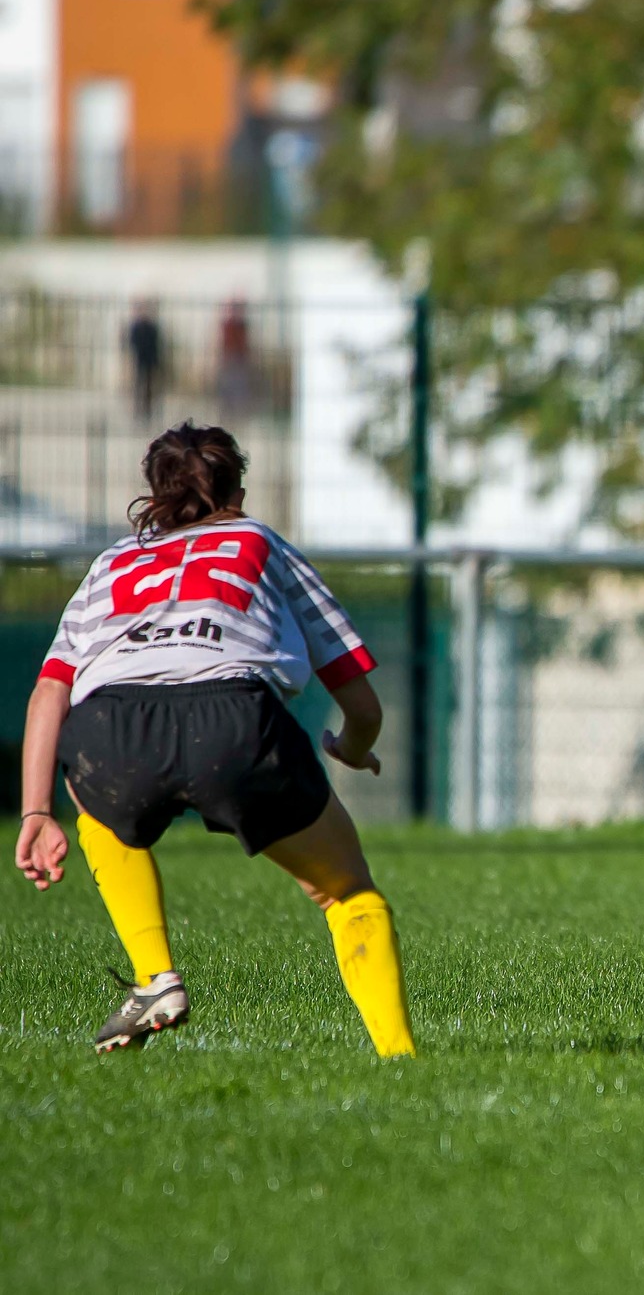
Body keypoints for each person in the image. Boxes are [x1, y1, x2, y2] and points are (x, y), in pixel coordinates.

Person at [14, 423, 414, 1055]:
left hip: (114, 728)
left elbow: (50, 692)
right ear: (239, 486)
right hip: (234, 721)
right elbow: (359, 698)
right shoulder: (259, 542)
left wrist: (37, 811)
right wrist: (355, 748)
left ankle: (156, 976)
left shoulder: (112, 561)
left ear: (153, 492)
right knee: (347, 891)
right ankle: (401, 1059)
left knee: (90, 791)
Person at [126, 299, 163, 419]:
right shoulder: (136, 327)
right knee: (138, 384)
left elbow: (157, 344)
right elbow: (132, 342)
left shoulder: (151, 327)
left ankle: (147, 409)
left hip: (150, 359)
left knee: (148, 386)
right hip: (139, 358)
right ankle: (138, 409)